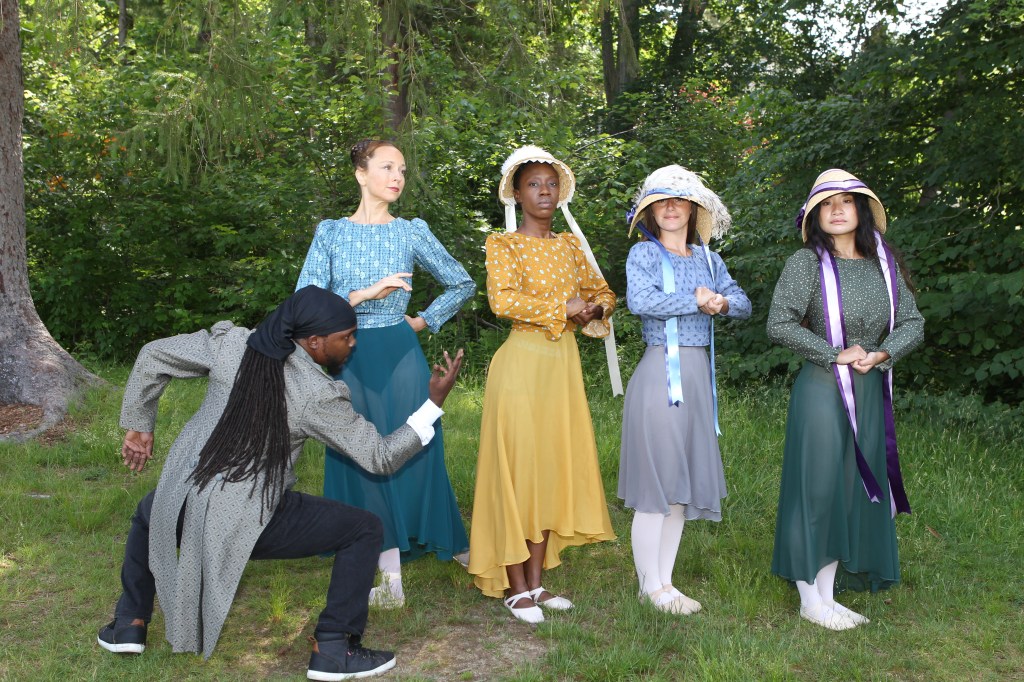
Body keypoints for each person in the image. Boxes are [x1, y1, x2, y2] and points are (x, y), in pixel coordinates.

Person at [96, 285, 464, 681]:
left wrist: (140, 425)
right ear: (314, 341)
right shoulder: (315, 394)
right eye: (346, 337)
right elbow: (381, 456)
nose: (353, 344)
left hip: (187, 502)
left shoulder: (232, 345)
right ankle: (334, 648)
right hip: (249, 522)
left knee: (151, 512)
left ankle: (129, 622)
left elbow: (154, 354)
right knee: (364, 529)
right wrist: (433, 404)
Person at [295, 139, 475, 607]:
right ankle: (389, 579)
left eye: (403, 169)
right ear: (361, 173)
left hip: (399, 355)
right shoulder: (331, 233)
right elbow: (304, 302)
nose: (397, 177)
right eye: (387, 167)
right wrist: (362, 295)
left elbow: (461, 282)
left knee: (418, 446)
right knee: (360, 457)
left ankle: (449, 542)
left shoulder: (410, 232)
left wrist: (423, 320)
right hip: (347, 357)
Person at [767, 169, 924, 630]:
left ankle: (827, 595)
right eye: (827, 203)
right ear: (815, 215)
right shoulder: (806, 263)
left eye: (846, 201)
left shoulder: (882, 265)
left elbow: (913, 322)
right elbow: (779, 323)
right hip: (822, 389)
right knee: (816, 488)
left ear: (862, 211)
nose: (837, 210)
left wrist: (883, 352)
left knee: (850, 490)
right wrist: (834, 353)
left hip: (870, 390)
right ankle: (808, 599)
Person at [468, 145, 617, 624]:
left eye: (551, 184)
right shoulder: (503, 244)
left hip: (562, 366)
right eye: (534, 184)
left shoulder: (570, 245)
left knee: (550, 468)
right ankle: (514, 587)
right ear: (517, 193)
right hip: (521, 365)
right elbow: (502, 301)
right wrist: (563, 307)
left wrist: (594, 308)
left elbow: (603, 292)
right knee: (519, 471)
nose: (545, 192)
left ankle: (536, 582)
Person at [618, 165, 751, 614]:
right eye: (662, 201)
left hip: (696, 377)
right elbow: (641, 301)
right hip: (661, 374)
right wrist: (695, 299)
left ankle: (665, 583)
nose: (671, 207)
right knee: (657, 483)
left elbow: (743, 303)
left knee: (679, 485)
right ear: (650, 211)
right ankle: (648, 587)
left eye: (680, 200)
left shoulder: (710, 260)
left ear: (694, 209)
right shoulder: (644, 254)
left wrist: (722, 301)